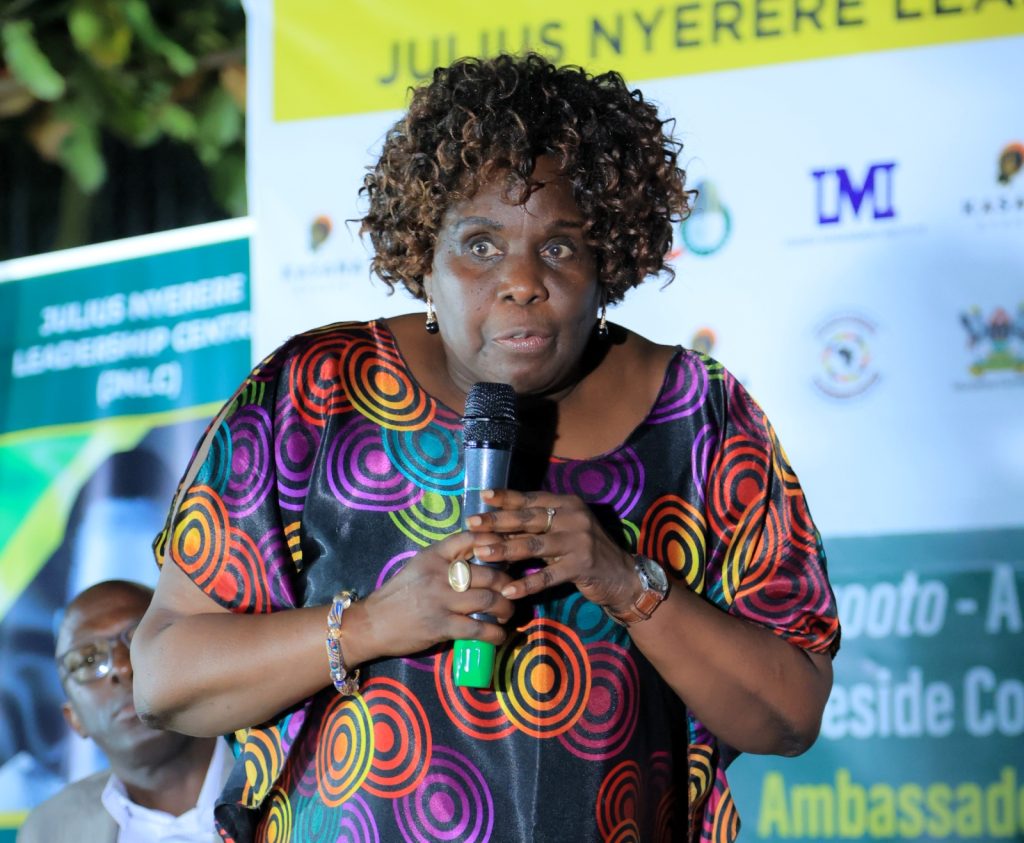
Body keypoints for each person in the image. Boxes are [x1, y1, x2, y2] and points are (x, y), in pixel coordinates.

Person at [132, 53, 840, 843]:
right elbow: (166, 676)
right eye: (478, 245)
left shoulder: (701, 416)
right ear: (420, 260)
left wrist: (627, 582)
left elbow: (790, 713)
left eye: (562, 247)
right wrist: (372, 624)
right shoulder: (316, 391)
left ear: (610, 256)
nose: (522, 281)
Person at [17, 580, 230, 843]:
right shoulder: (48, 831)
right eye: (88, 660)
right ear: (74, 719)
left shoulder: (285, 770)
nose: (121, 666)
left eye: (139, 637)